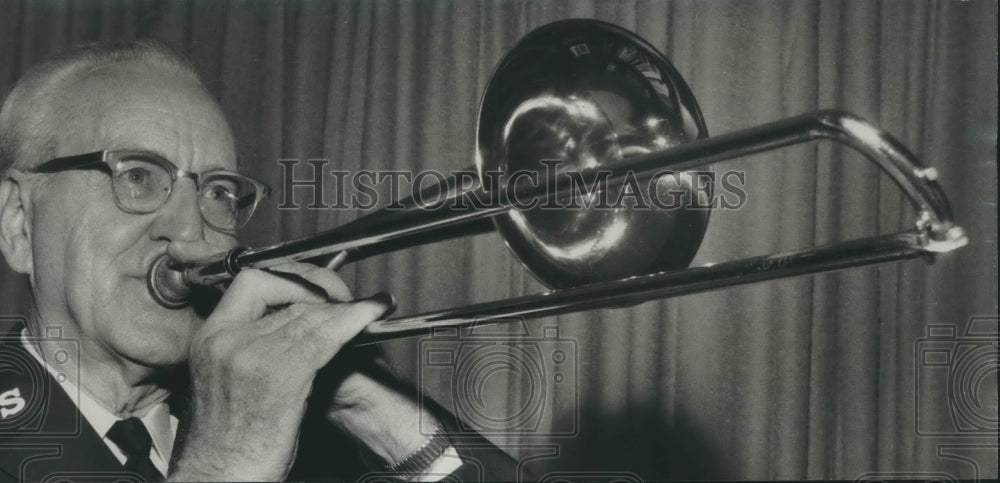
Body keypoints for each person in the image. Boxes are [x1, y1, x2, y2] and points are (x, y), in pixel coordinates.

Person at [0, 40, 520, 482]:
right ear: (20, 222)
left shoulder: (298, 434)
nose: (191, 230)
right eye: (136, 175)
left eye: (219, 191)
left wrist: (370, 406)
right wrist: (225, 463)